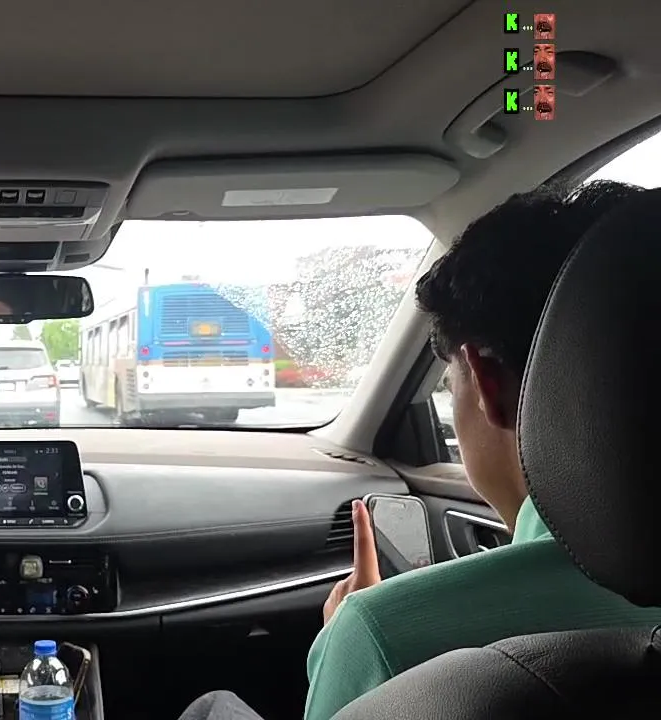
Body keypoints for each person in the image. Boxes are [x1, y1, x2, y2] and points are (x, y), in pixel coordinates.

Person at [174, 179, 661, 720]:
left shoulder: (388, 633)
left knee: (213, 708)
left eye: (449, 386)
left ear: (488, 385)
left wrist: (352, 633)